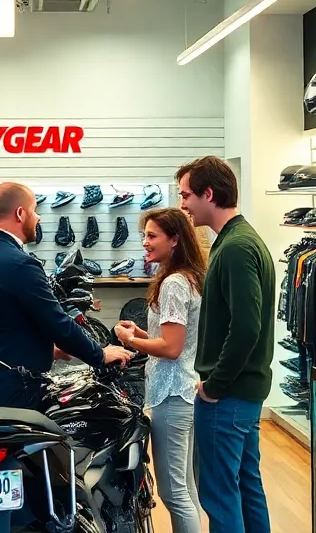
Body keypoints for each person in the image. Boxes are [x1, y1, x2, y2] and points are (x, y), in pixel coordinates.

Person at [0, 182, 133, 411]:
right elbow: (57, 323)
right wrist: (99, 355)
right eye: (35, 210)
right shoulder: (21, 264)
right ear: (21, 213)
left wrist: (47, 351)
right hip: (10, 386)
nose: (38, 218)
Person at [176, 156, 274, 533]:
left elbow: (246, 327)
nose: (183, 204)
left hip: (228, 395)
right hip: (243, 391)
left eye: (186, 195)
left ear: (208, 194)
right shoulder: (241, 241)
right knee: (247, 486)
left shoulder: (235, 247)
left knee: (219, 495)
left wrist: (215, 385)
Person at [114, 208, 205, 533]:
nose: (145, 242)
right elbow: (173, 338)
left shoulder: (174, 284)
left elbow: (171, 348)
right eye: (144, 235)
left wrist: (130, 341)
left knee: (174, 493)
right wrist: (141, 334)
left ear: (175, 239)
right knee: (186, 488)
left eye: (152, 236)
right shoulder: (189, 278)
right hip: (184, 390)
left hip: (172, 394)